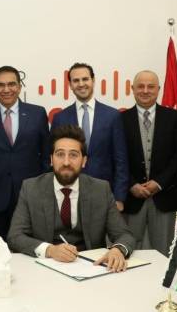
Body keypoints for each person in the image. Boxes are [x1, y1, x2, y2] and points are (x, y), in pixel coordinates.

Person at [7, 125, 135, 272]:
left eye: (73, 155)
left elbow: (124, 235)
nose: (66, 162)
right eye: (60, 154)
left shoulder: (101, 189)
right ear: (51, 159)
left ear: (84, 161)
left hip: (92, 270)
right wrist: (50, 250)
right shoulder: (31, 188)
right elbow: (15, 236)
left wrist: (117, 250)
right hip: (46, 269)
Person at [0, 65, 50, 250]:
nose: (6, 89)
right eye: (0, 85)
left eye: (11, 84)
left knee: (30, 249)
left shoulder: (37, 114)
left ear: (19, 87)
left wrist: (43, 192)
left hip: (30, 196)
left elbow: (46, 158)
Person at [121, 71, 177, 255]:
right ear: (132, 89)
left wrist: (159, 182)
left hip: (165, 196)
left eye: (150, 86)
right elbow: (117, 158)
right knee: (128, 252)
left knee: (165, 253)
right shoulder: (120, 119)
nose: (145, 90)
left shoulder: (175, 118)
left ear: (158, 89)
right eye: (140, 86)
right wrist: (131, 184)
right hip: (131, 198)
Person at [51, 62, 128, 210]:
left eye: (85, 79)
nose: (81, 84)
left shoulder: (112, 116)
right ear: (70, 85)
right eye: (76, 80)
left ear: (93, 80)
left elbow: (121, 160)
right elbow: (55, 159)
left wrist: (119, 198)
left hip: (104, 193)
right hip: (68, 193)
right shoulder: (60, 118)